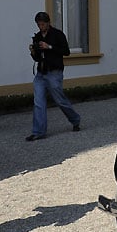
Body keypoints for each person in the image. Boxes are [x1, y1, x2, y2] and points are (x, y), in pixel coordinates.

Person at [27, 11, 81, 141]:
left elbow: (66, 52)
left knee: (60, 100)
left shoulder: (57, 34)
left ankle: (75, 119)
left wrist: (49, 46)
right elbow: (37, 58)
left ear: (48, 23)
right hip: (41, 72)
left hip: (54, 72)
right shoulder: (38, 36)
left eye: (43, 24)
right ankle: (38, 132)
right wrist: (33, 51)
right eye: (39, 24)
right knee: (38, 102)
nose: (41, 27)